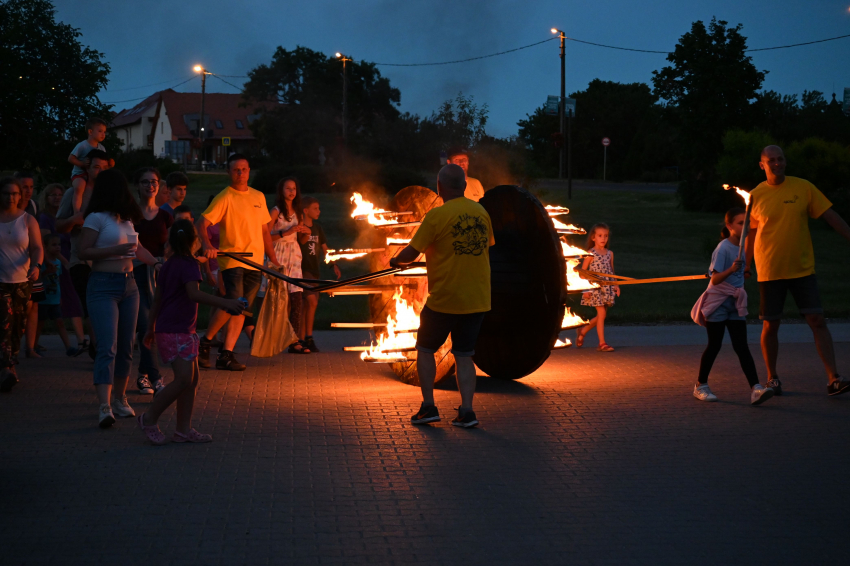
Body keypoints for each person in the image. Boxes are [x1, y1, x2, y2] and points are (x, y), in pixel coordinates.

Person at [391, 164, 495, 428]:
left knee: (425, 349)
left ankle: (429, 407)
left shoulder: (436, 216)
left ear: (439, 187)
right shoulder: (482, 212)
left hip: (446, 298)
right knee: (464, 355)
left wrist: (395, 261)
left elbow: (411, 253)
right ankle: (467, 412)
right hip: (477, 298)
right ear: (463, 186)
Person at [746, 145, 850, 396]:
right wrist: (746, 265)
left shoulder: (803, 187)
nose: (777, 163)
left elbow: (830, 216)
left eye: (780, 159)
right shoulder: (755, 196)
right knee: (771, 325)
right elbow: (750, 233)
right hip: (771, 269)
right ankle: (772, 379)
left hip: (802, 269)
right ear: (762, 165)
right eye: (771, 160)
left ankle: (833, 378)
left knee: (817, 320)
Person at [138, 220, 244, 445]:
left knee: (191, 380)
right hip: (176, 331)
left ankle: (183, 430)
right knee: (184, 378)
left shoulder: (168, 264)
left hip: (178, 330)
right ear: (194, 241)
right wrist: (226, 303)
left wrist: (150, 327)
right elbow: (193, 294)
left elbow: (158, 298)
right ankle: (148, 418)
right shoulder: (189, 265)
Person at [77, 168, 162, 428]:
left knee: (127, 346)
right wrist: (115, 250)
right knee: (108, 346)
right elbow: (83, 252)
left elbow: (139, 249)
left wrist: (158, 263)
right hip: (103, 285)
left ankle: (120, 399)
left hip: (129, 285)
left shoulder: (126, 220)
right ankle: (104, 405)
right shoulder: (96, 218)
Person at [196, 154, 282, 370]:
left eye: (244, 169)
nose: (241, 173)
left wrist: (273, 259)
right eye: (236, 170)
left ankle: (226, 354)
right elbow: (202, 222)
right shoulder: (225, 196)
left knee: (241, 308)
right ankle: (205, 341)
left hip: (255, 262)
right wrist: (207, 244)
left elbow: (264, 230)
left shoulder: (258, 196)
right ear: (229, 173)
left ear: (249, 170)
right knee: (233, 302)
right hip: (233, 260)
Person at [690, 208, 774, 405]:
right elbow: (716, 278)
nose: (744, 226)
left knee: (741, 346)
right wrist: (731, 269)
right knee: (715, 345)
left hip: (735, 304)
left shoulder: (742, 247)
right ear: (729, 226)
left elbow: (739, 274)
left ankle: (756, 388)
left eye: (747, 222)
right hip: (718, 303)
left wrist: (744, 272)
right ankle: (700, 385)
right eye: (739, 223)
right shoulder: (723, 248)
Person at [56, 150, 111, 360]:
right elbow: (59, 225)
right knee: (91, 306)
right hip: (80, 258)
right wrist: (76, 219)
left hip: (106, 258)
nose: (101, 172)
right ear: (86, 168)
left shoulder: (111, 195)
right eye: (97, 167)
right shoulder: (74, 194)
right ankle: (98, 350)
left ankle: (101, 347)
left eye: (105, 168)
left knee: (105, 306)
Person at [0, 177, 44, 392]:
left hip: (22, 280)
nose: (10, 197)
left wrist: (36, 265)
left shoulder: (27, 220)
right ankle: (6, 368)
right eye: (6, 193)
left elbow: (37, 247)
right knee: (3, 322)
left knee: (18, 325)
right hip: (1, 282)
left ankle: (11, 364)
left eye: (14, 194)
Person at [133, 167, 173, 396]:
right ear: (137, 186)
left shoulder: (165, 215)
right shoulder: (131, 214)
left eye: (154, 182)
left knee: (152, 326)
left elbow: (172, 243)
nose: (150, 185)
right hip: (136, 271)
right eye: (145, 181)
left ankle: (142, 375)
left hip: (158, 273)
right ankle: (156, 378)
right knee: (145, 323)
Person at [37, 184, 86, 355]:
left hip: (71, 259)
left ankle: (80, 340)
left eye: (60, 194)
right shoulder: (45, 218)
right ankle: (78, 340)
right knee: (53, 306)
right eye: (53, 195)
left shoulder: (67, 216)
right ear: (46, 197)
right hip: (57, 262)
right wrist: (64, 262)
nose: (57, 197)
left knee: (72, 300)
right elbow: (46, 244)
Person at [268, 177, 312, 353]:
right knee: (277, 299)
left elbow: (300, 239)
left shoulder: (299, 213)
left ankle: (294, 340)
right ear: (281, 191)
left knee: (296, 298)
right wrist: (284, 232)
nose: (291, 192)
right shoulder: (275, 212)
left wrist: (307, 233)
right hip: (278, 254)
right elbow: (265, 236)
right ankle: (273, 338)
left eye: (294, 188)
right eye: (288, 189)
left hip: (294, 257)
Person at [298, 196, 340, 352]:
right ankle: (308, 338)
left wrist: (333, 264)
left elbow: (325, 249)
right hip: (302, 270)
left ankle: (300, 339)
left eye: (319, 208)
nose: (319, 211)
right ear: (305, 210)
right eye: (315, 208)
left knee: (305, 306)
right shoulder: (299, 227)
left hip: (315, 271)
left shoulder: (318, 228)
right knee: (312, 301)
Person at [576, 224, 620, 352]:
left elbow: (611, 271)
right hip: (595, 288)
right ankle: (602, 343)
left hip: (607, 287)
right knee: (601, 314)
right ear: (593, 237)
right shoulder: (590, 253)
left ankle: (583, 331)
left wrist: (616, 285)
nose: (603, 238)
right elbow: (583, 273)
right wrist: (585, 290)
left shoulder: (610, 254)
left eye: (606, 236)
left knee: (602, 315)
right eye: (600, 236)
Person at [34, 234, 79, 356]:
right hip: (43, 298)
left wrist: (59, 296)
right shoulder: (43, 262)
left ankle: (68, 347)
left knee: (60, 322)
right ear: (46, 247)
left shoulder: (58, 262)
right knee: (40, 323)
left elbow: (57, 280)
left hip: (54, 299)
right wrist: (46, 272)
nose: (58, 247)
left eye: (59, 244)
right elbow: (37, 278)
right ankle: (34, 345)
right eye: (54, 245)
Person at [16, 170, 43, 358]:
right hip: (13, 264)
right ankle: (13, 347)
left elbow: (38, 239)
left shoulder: (33, 206)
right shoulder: (8, 208)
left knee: (34, 305)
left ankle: (30, 347)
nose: (28, 191)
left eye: (31, 187)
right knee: (20, 307)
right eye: (24, 187)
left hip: (32, 262)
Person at [67, 117, 108, 214]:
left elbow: (104, 161)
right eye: (100, 131)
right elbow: (70, 158)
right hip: (80, 174)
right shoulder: (83, 145)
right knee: (79, 187)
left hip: (94, 175)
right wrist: (82, 164)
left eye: (104, 132)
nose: (103, 134)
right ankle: (77, 212)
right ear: (90, 132)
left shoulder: (101, 148)